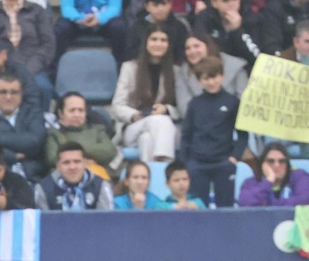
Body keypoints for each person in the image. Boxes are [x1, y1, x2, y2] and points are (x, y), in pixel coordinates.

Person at [176, 55, 244, 209]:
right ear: (199, 81)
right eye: (206, 78)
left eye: (214, 77)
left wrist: (234, 157)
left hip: (223, 162)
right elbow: (186, 135)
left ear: (222, 76)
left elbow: (243, 134)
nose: (211, 82)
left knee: (225, 208)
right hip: (197, 164)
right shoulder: (194, 104)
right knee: (198, 209)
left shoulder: (232, 102)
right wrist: (186, 162)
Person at [112, 25, 178, 164]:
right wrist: (134, 115)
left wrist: (166, 109)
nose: (158, 44)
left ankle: (152, 174)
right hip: (134, 126)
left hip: (163, 129)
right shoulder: (129, 68)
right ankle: (165, 165)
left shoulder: (175, 71)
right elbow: (117, 106)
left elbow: (183, 108)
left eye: (163, 40)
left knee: (147, 139)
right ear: (145, 42)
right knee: (160, 121)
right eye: (154, 39)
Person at [35, 140, 111, 210]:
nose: (72, 167)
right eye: (66, 162)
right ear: (58, 166)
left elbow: (107, 218)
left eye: (77, 161)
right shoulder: (43, 188)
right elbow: (42, 219)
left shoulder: (101, 186)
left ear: (85, 163)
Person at [239, 144, 309, 205]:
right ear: (262, 165)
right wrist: (268, 181)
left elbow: (305, 201)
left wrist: (268, 204)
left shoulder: (300, 177)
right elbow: (246, 204)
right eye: (271, 161)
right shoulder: (250, 183)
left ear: (287, 164)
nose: (276, 165)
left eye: (282, 161)